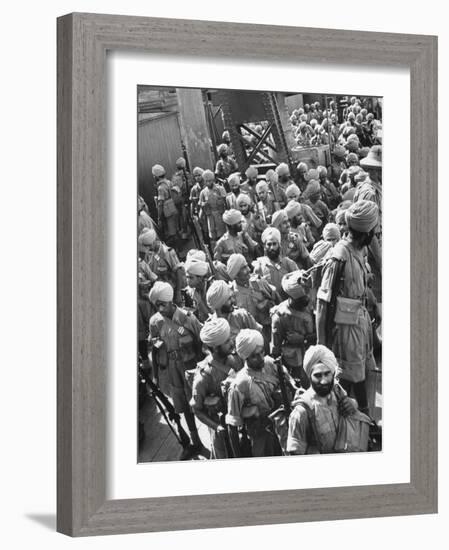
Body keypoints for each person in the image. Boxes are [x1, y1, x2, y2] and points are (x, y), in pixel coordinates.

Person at [316, 199, 379, 414]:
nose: (375, 235)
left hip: (360, 326)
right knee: (347, 379)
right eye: (374, 231)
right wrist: (321, 349)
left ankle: (364, 416)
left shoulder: (359, 251)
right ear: (366, 232)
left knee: (362, 374)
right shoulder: (339, 256)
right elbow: (323, 304)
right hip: (345, 332)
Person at [148, 282, 204, 458]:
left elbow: (201, 343)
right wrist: (155, 376)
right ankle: (195, 442)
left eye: (162, 304)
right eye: (156, 305)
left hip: (190, 367)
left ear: (171, 301)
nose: (160, 309)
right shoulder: (155, 322)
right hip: (172, 370)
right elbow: (155, 349)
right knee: (183, 407)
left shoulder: (188, 319)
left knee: (200, 404)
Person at [226, 329, 295, 457]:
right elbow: (232, 425)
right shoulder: (240, 384)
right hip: (260, 436)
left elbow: (291, 385)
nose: (261, 358)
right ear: (245, 357)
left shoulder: (271, 364)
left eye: (262, 352)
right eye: (254, 356)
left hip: (283, 427)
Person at [287, 345, 363, 455]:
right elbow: (295, 453)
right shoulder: (301, 412)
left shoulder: (337, 392)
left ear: (333, 373)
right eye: (318, 376)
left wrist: (353, 404)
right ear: (309, 377)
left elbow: (353, 411)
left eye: (327, 374)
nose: (324, 381)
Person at [190, 318, 237, 459]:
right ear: (215, 348)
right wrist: (217, 427)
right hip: (222, 431)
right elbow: (196, 410)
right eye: (227, 342)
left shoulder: (235, 358)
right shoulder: (203, 377)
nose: (232, 343)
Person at [271, 270, 315, 388]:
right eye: (303, 297)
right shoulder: (280, 316)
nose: (308, 298)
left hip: (315, 358)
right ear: (292, 297)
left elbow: (324, 333)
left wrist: (304, 339)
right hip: (295, 364)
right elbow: (276, 350)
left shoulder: (313, 306)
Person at [227, 253, 278, 350]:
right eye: (244, 268)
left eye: (247, 266)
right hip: (249, 341)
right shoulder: (231, 294)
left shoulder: (258, 282)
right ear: (236, 274)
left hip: (268, 333)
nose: (249, 270)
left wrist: (265, 305)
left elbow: (276, 303)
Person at [138, 228, 184, 305]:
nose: (147, 248)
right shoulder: (149, 253)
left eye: (148, 246)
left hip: (170, 293)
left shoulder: (167, 252)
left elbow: (179, 271)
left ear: (153, 242)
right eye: (145, 246)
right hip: (157, 294)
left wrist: (178, 293)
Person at [252, 227, 299, 297]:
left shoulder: (288, 263)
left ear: (279, 245)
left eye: (274, 244)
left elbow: (298, 285)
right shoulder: (259, 267)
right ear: (264, 246)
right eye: (269, 244)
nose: (272, 248)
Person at [198, 170, 227, 250]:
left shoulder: (220, 189)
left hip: (220, 215)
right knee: (213, 238)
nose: (208, 183)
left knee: (223, 236)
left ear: (213, 180)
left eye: (210, 181)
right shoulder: (203, 192)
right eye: (206, 181)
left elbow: (226, 202)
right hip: (210, 217)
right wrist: (200, 218)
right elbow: (201, 206)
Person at [152, 164, 178, 248]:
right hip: (174, 209)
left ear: (156, 176)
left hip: (168, 212)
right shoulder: (168, 182)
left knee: (172, 233)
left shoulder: (161, 188)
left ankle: (178, 251)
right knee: (175, 230)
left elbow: (160, 204)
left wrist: (159, 217)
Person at [183, 258, 211, 322]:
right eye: (187, 277)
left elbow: (212, 315)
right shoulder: (190, 290)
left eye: (191, 278)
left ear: (200, 278)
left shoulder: (210, 288)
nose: (188, 281)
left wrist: (199, 301)